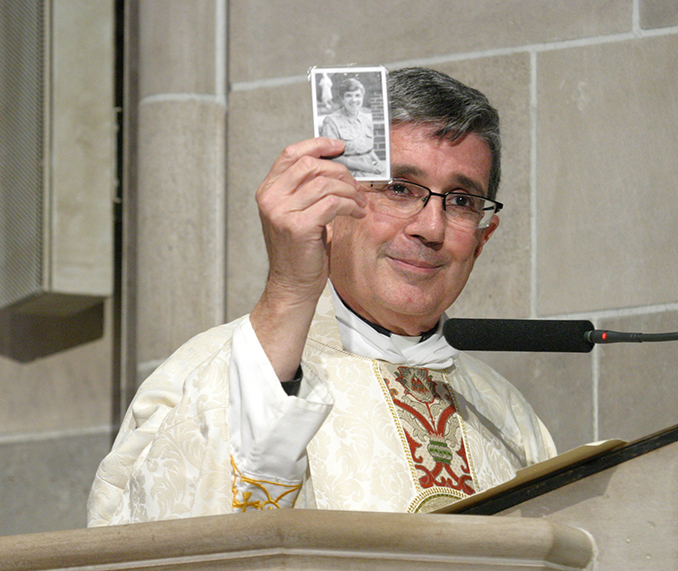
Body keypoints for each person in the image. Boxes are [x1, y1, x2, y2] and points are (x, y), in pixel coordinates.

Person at [87, 67, 556, 526]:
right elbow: (178, 540)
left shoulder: (508, 416)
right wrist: (289, 293)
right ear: (331, 204)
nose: (430, 228)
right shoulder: (212, 371)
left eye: (460, 201)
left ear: (483, 236)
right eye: (399, 188)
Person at [319, 77, 384, 177]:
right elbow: (331, 156)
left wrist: (378, 162)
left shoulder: (366, 121)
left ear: (362, 97)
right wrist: (366, 167)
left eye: (357, 95)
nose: (354, 100)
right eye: (349, 96)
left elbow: (368, 150)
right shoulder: (331, 121)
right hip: (346, 174)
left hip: (370, 172)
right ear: (342, 99)